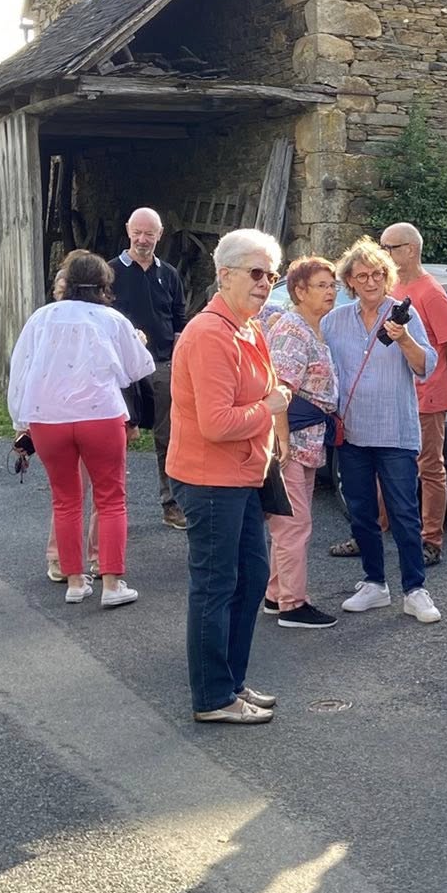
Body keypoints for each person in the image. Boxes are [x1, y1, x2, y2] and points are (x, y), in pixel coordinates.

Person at [169, 228, 289, 725]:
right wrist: (269, 408)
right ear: (224, 275)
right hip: (210, 480)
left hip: (242, 477)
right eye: (257, 273)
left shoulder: (247, 327)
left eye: (272, 274)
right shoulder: (210, 333)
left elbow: (263, 389)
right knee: (217, 585)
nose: (266, 284)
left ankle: (231, 684)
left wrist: (268, 412)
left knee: (251, 578)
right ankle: (214, 697)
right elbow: (217, 424)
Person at [7, 250, 156, 609]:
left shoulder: (41, 318)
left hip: (47, 417)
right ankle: (112, 583)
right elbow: (138, 367)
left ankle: (74, 581)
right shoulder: (111, 319)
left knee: (65, 499)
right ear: (104, 285)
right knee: (110, 498)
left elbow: (20, 369)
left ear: (66, 282)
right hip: (99, 415)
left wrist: (19, 420)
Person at [321, 237, 442, 624]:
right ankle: (374, 583)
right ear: (350, 282)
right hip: (352, 431)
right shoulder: (333, 321)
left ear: (386, 277)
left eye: (377, 274)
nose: (371, 282)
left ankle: (415, 589)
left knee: (405, 513)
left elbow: (426, 365)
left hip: (396, 431)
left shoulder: (403, 315)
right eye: (362, 276)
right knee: (360, 512)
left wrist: (404, 338)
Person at [380, 223, 447, 568]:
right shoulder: (396, 285)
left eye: (390, 247)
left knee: (429, 467)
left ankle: (431, 540)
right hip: (400, 392)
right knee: (383, 463)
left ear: (410, 249)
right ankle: (372, 530)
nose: (383, 253)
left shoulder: (430, 293)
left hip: (427, 392)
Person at [264, 255, 340, 630]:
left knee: (290, 521)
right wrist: (282, 442)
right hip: (291, 439)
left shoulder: (312, 328)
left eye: (332, 285)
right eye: (322, 285)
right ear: (299, 291)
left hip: (307, 440)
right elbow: (279, 389)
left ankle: (276, 593)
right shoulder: (293, 331)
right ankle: (293, 604)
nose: (331, 292)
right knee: (294, 524)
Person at [110, 207, 188, 530]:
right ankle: (113, 509)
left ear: (160, 234)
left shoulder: (169, 274)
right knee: (116, 438)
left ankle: (171, 505)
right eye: (137, 233)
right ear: (128, 230)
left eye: (149, 234)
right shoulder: (110, 271)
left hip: (160, 366)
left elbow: (180, 321)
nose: (142, 240)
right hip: (120, 370)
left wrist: (179, 362)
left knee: (168, 438)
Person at [39, 265, 98, 587]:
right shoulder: (44, 322)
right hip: (59, 415)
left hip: (97, 415)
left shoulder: (100, 320)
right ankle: (61, 558)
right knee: (70, 493)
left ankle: (101, 557)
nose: (63, 289)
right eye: (60, 283)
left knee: (106, 492)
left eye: (68, 284)